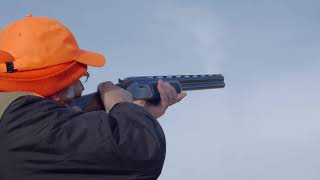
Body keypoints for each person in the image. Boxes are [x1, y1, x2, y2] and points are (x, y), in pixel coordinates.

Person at [0, 15, 186, 180]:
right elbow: (139, 154)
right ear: (53, 87)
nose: (81, 88)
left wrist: (136, 114)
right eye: (75, 79)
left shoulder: (15, 120)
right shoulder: (23, 123)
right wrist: (119, 102)